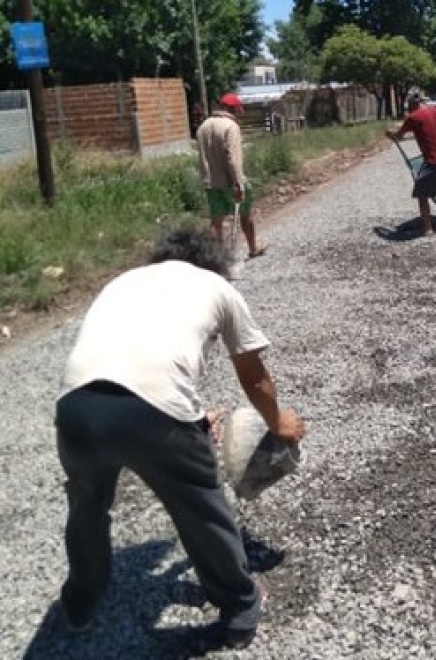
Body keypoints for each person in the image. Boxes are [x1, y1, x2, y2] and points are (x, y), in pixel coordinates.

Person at [53, 227, 304, 650]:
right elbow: (253, 376)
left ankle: (80, 603)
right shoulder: (216, 287)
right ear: (214, 262)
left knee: (87, 509)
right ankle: (241, 607)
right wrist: (279, 423)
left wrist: (194, 418)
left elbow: (129, 360)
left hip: (76, 409)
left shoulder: (124, 281)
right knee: (202, 510)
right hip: (155, 413)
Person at [197, 92, 267, 258]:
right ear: (234, 109)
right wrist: (238, 183)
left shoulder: (203, 126)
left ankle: (218, 256)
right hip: (230, 181)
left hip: (211, 182)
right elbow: (233, 158)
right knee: (245, 215)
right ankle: (253, 248)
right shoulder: (231, 127)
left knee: (216, 221)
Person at [386, 92, 436, 236]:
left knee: (422, 194)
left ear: (412, 105)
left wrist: (391, 135)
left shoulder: (413, 117)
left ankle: (428, 228)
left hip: (431, 160)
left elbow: (399, 135)